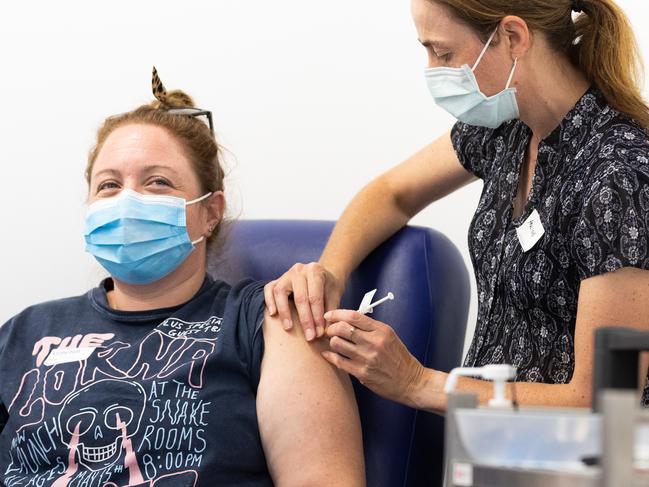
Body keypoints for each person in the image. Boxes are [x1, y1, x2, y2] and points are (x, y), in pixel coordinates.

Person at [265, 0, 649, 413]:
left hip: (583, 469)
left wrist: (416, 382)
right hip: (492, 452)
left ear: (513, 37)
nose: (433, 70)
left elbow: (608, 401)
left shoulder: (621, 176)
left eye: (444, 53)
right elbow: (391, 193)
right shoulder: (507, 129)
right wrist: (330, 272)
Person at [0, 69, 365, 487]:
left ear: (210, 212)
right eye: (108, 185)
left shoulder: (270, 322)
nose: (128, 200)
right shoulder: (22, 335)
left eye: (158, 182)